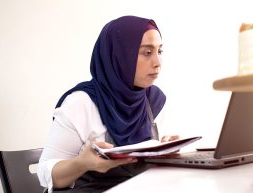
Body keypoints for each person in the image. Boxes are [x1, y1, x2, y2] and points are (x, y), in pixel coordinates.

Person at [37, 15, 179, 193]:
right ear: (119, 55)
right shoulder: (81, 103)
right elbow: (43, 174)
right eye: (147, 52)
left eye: (160, 51)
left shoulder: (154, 99)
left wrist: (165, 150)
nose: (158, 63)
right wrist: (80, 164)